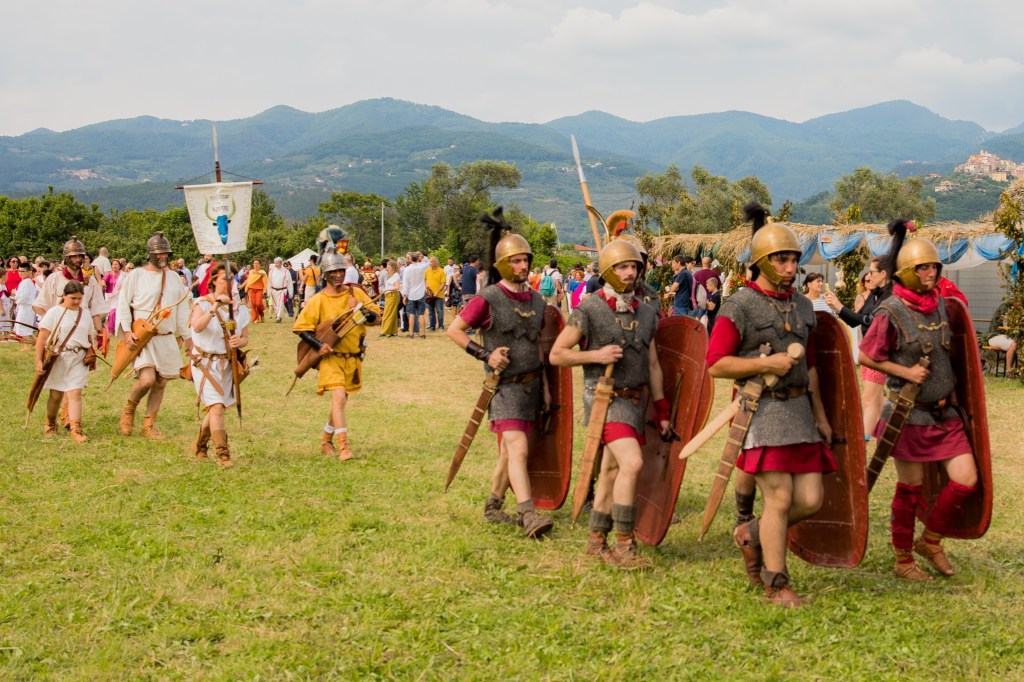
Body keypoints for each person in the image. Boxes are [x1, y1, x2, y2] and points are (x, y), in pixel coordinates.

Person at [705, 203, 835, 607]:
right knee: (778, 498)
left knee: (810, 500)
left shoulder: (803, 306)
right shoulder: (739, 305)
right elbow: (716, 364)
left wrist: (821, 416)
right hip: (761, 412)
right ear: (761, 261)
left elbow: (810, 366)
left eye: (794, 259)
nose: (790, 267)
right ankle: (776, 582)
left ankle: (751, 533)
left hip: (799, 413)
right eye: (782, 259)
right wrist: (765, 364)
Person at [859, 218, 980, 582]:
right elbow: (866, 356)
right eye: (923, 268)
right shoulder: (891, 311)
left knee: (966, 480)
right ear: (908, 273)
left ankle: (930, 541)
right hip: (907, 415)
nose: (930, 274)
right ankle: (903, 559)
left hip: (945, 415)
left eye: (934, 267)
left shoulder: (941, 305)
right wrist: (906, 372)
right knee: (909, 490)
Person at [550, 239, 671, 570]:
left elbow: (654, 364)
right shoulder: (588, 310)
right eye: (622, 266)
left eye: (634, 267)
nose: (630, 272)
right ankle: (625, 544)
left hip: (635, 403)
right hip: (604, 400)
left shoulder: (646, 312)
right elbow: (557, 354)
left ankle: (596, 540)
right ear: (607, 271)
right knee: (631, 463)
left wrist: (661, 410)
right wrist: (596, 355)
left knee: (611, 470)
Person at [447, 210, 554, 538]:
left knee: (510, 453)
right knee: (517, 449)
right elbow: (454, 330)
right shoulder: (489, 298)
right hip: (504, 388)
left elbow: (539, 348)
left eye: (526, 260)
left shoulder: (537, 300)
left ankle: (493, 506)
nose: (523, 266)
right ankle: (528, 514)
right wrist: (486, 354)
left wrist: (546, 389)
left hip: (531, 388)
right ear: (504, 264)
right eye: (517, 261)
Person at [292, 252, 381, 460]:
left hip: (353, 357)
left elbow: (376, 318)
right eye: (333, 272)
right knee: (339, 397)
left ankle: (326, 440)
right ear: (325, 274)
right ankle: (344, 447)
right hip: (331, 357)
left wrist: (360, 309)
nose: (338, 275)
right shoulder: (318, 300)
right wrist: (319, 345)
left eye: (341, 270)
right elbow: (302, 328)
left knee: (340, 401)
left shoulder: (355, 293)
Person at [116, 232, 192, 439]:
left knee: (161, 382)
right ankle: (129, 409)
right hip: (144, 336)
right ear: (150, 254)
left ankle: (149, 425)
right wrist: (127, 331)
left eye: (165, 253)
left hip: (166, 337)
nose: (162, 256)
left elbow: (182, 310)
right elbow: (123, 304)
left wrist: (187, 338)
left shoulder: (174, 278)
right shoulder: (136, 275)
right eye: (159, 253)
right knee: (147, 379)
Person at [825, 256, 894, 440]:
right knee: (876, 400)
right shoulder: (874, 293)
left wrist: (840, 307)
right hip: (868, 350)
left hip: (879, 352)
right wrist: (838, 308)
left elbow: (870, 321)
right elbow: (858, 320)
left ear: (883, 274)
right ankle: (880, 437)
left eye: (871, 272)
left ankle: (862, 440)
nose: (868, 276)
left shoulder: (890, 296)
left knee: (868, 399)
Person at [188, 262, 250, 468]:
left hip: (226, 364)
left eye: (232, 278)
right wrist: (215, 306)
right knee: (216, 407)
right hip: (204, 363)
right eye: (225, 278)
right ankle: (223, 455)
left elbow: (245, 338)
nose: (229, 283)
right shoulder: (202, 303)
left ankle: (199, 445)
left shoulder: (239, 308)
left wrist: (239, 342)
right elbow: (197, 327)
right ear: (214, 280)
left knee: (217, 408)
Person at [35, 281, 96, 442]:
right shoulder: (54, 312)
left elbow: (90, 336)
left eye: (79, 298)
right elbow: (42, 338)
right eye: (73, 298)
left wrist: (92, 355)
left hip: (78, 358)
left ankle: (76, 429)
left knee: (75, 393)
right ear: (64, 296)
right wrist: (39, 361)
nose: (76, 301)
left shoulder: (85, 314)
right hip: (59, 358)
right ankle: (50, 422)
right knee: (56, 395)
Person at [33, 236, 106, 338]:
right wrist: (48, 328)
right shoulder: (54, 279)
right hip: (59, 331)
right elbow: (42, 306)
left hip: (82, 329)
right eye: (74, 256)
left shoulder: (90, 281)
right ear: (67, 258)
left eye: (80, 256)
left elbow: (96, 309)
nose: (78, 259)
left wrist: (100, 334)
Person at [402, 252, 430, 338]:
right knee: (421, 314)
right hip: (421, 293)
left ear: (410, 259)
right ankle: (422, 333)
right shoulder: (422, 267)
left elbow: (405, 284)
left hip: (411, 294)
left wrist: (405, 295)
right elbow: (428, 262)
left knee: (411, 314)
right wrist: (423, 256)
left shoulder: (407, 269)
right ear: (418, 258)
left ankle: (411, 333)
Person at [988, 300, 1018, 376]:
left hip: (1004, 336)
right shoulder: (1005, 308)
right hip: (995, 336)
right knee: (1013, 344)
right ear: (1015, 301)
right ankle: (1010, 372)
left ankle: (1016, 371)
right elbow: (1006, 326)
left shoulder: (1014, 309)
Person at [13, 262, 37, 341]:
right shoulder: (25, 282)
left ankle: (30, 344)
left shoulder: (26, 282)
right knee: (26, 329)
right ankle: (39, 343)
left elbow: (23, 297)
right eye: (19, 271)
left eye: (22, 271)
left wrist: (15, 294)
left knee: (24, 330)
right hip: (25, 308)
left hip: (26, 308)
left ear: (28, 272)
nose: (20, 273)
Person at [379, 260, 402, 337]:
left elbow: (397, 287)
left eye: (388, 267)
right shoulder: (391, 275)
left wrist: (387, 289)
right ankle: (393, 331)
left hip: (392, 295)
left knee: (388, 313)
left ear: (392, 267)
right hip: (388, 296)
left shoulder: (396, 275)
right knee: (392, 313)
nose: (387, 268)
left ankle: (385, 331)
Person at [425, 256, 447, 332]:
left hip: (438, 295)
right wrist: (427, 285)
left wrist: (438, 291)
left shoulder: (441, 271)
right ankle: (432, 326)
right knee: (431, 312)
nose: (430, 263)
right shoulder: (427, 271)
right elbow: (426, 280)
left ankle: (441, 326)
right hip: (430, 295)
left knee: (439, 311)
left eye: (431, 262)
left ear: (435, 262)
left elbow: (443, 283)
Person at [268, 257, 293, 323]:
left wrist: (290, 292)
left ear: (281, 263)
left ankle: (278, 317)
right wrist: (268, 291)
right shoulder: (271, 271)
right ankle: (278, 315)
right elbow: (269, 282)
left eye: (278, 263)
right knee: (275, 304)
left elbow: (289, 282)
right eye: (275, 263)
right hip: (273, 290)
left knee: (281, 303)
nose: (276, 264)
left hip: (283, 290)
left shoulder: (286, 271)